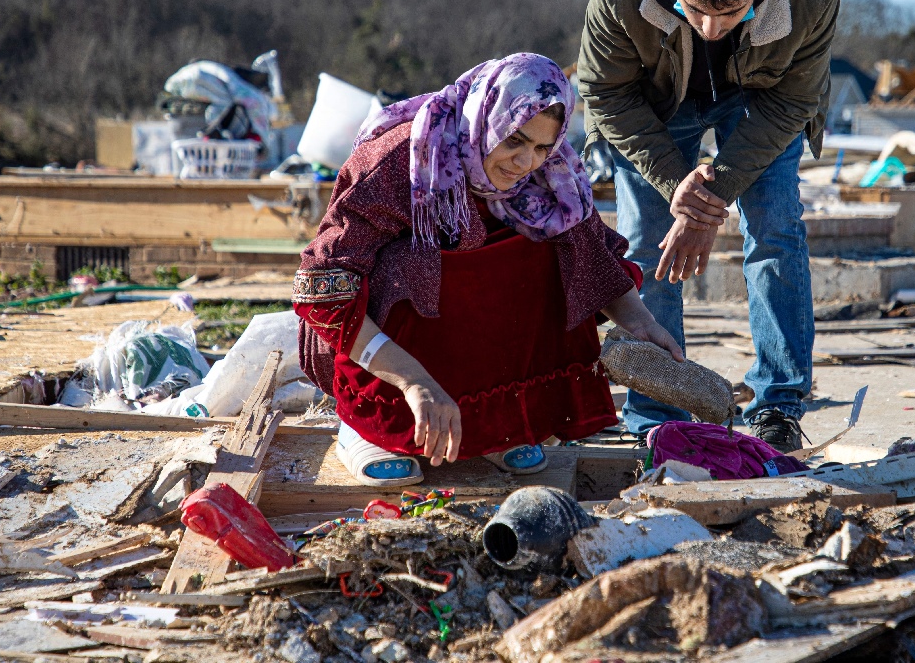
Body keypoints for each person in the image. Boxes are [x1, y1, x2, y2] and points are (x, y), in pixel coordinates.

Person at [292, 53, 683, 483]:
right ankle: (369, 426)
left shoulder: (553, 175)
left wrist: (641, 323)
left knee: (546, 248)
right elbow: (323, 288)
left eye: (540, 147)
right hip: (391, 353)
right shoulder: (404, 158)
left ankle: (498, 423)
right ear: (485, 117)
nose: (525, 163)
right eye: (514, 140)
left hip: (469, 347)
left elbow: (590, 256)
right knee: (418, 261)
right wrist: (414, 381)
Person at [577, 0, 838, 452]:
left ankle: (779, 405)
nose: (711, 29)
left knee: (776, 228)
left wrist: (711, 195)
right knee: (647, 239)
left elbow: (793, 102)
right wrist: (679, 185)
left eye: (731, 12)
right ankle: (656, 410)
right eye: (694, 10)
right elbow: (603, 89)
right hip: (653, 103)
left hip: (762, 99)